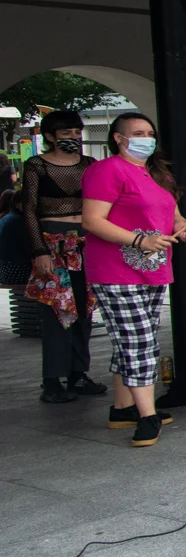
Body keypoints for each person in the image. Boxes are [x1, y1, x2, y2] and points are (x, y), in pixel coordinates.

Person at [79, 113, 186, 446]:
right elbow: (92, 220)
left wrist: (183, 228)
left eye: (149, 133)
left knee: (131, 338)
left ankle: (123, 408)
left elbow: (173, 215)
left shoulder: (157, 173)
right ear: (118, 138)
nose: (146, 139)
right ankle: (148, 416)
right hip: (116, 269)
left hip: (153, 269)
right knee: (139, 341)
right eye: (137, 133)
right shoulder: (106, 170)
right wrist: (139, 240)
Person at [20, 110, 108, 404]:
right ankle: (52, 379)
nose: (73, 137)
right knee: (56, 309)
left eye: (76, 132)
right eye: (66, 133)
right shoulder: (37, 165)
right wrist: (38, 251)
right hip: (51, 242)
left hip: (85, 240)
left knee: (84, 308)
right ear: (50, 136)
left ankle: (78, 373)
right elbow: (29, 209)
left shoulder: (90, 164)